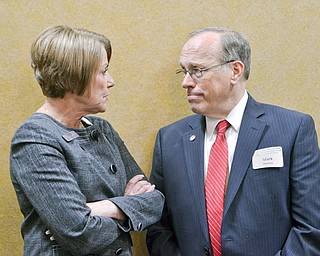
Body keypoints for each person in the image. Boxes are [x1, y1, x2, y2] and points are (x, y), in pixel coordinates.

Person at [146, 27, 320, 255]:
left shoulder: (292, 130)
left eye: (197, 70)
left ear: (235, 70)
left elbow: (311, 227)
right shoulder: (169, 140)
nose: (186, 83)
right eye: (184, 72)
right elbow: (159, 227)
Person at [10, 25, 164, 256]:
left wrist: (102, 208)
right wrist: (128, 208)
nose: (111, 81)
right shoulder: (34, 139)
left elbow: (154, 201)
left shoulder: (102, 129)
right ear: (73, 76)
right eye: (103, 71)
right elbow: (80, 234)